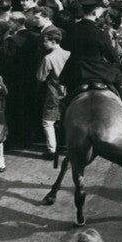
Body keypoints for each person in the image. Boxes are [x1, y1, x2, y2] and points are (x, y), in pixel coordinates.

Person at [35, 27, 69, 160]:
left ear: (53, 41)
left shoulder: (48, 58)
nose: (44, 44)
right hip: (69, 91)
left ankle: (51, 149)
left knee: (47, 122)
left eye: (46, 41)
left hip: (54, 92)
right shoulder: (68, 54)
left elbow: (40, 77)